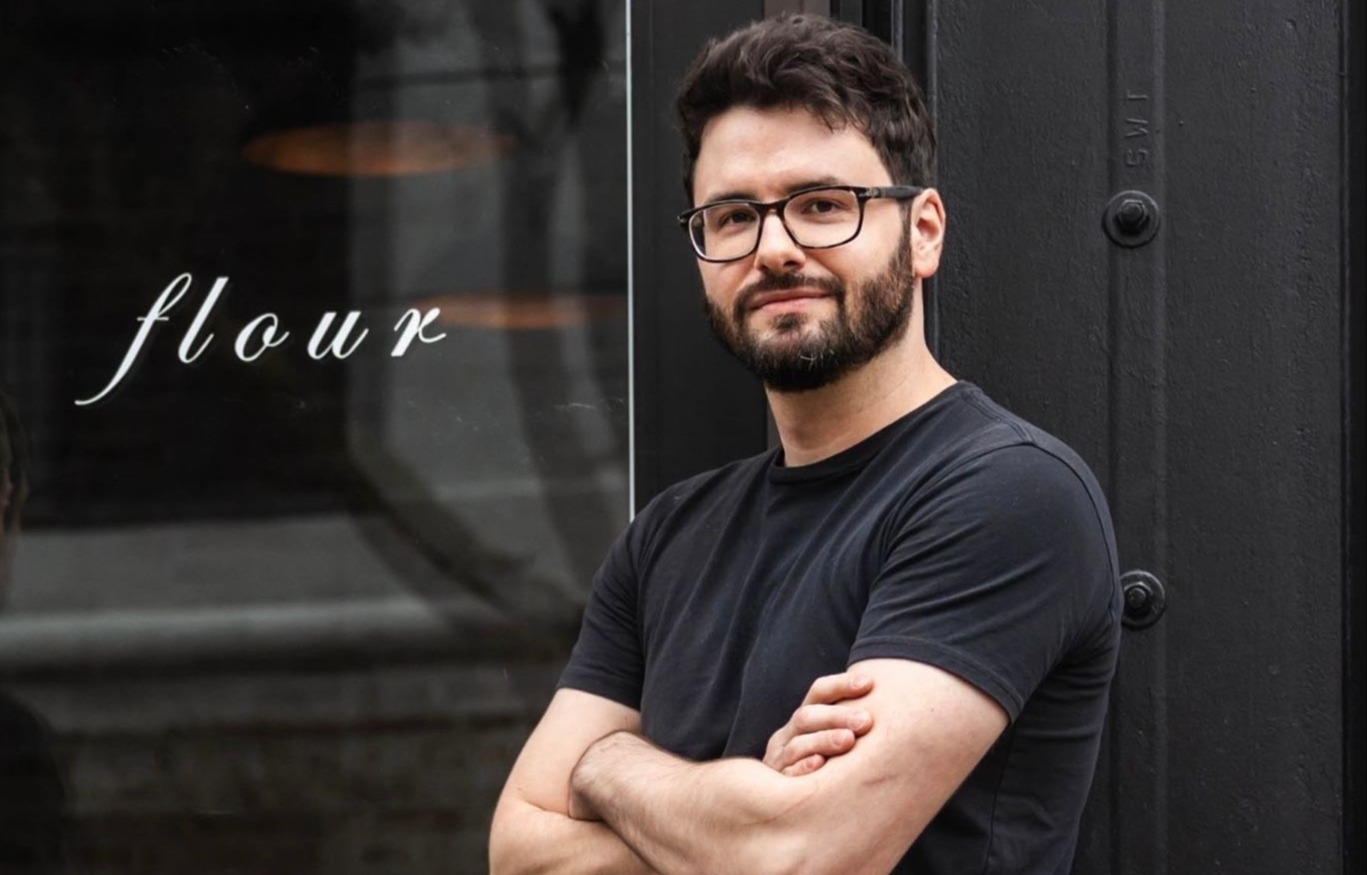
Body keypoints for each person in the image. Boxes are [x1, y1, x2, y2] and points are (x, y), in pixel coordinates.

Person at [489, 13, 1120, 875]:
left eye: (822, 205)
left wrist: (607, 765)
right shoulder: (665, 537)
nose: (775, 248)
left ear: (923, 231)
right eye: (733, 216)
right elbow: (519, 852)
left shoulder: (1007, 494)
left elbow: (797, 856)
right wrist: (741, 806)